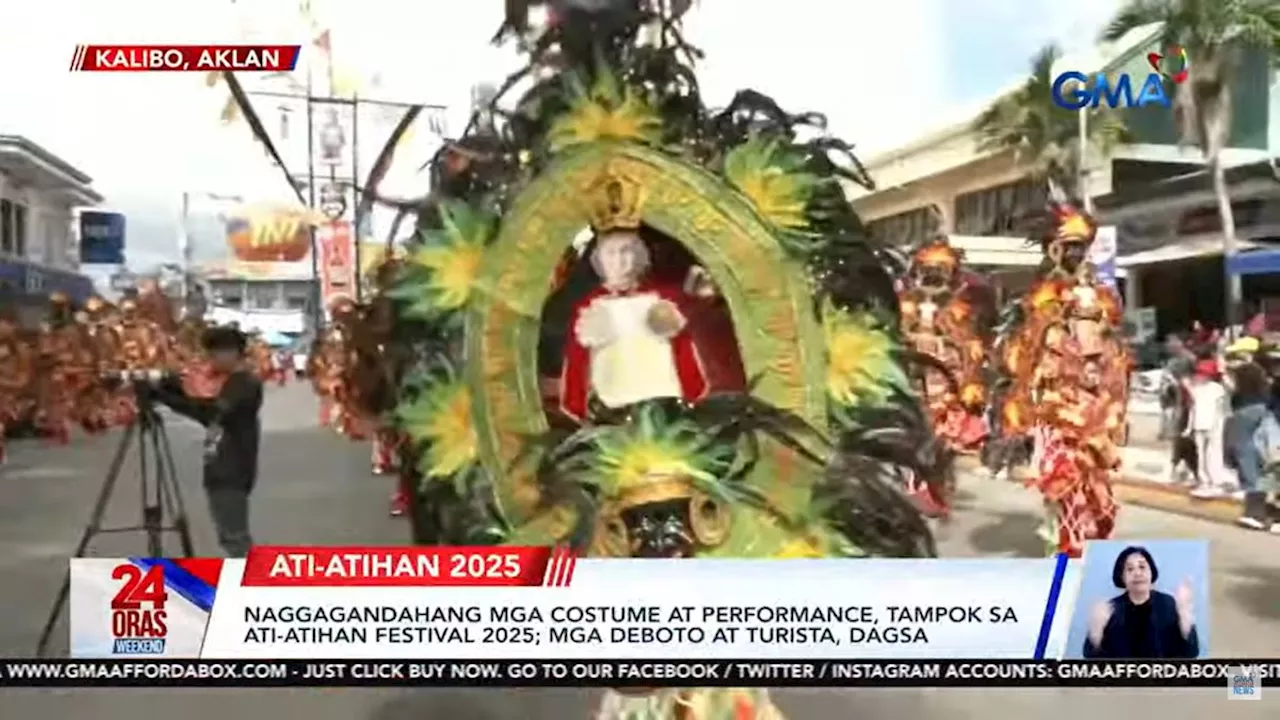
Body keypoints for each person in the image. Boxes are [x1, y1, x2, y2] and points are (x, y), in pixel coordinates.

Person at [153, 326, 263, 557]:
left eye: (214, 354)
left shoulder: (244, 383)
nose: (211, 361)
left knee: (234, 537)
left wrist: (165, 398)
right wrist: (170, 389)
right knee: (230, 535)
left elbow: (210, 411)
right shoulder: (232, 381)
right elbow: (203, 404)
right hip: (221, 467)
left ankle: (252, 586)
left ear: (232, 353)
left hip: (231, 469)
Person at [1084, 545, 1199, 659]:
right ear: (1122, 577)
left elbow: (1191, 653)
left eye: (1142, 567)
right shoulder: (1110, 610)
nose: (1137, 573)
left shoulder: (1168, 604)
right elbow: (1091, 660)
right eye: (1130, 569)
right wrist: (1096, 632)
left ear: (1151, 572)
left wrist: (1185, 616)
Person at [1223, 358, 1279, 531]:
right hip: (1268, 451)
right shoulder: (1266, 403)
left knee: (1254, 481)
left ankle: (1255, 515)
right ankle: (1268, 515)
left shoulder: (1240, 407)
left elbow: (1234, 438)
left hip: (1250, 453)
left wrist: (1229, 457)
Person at [1186, 359, 1228, 499]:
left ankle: (1215, 483)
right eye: (1198, 373)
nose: (1200, 376)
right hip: (1199, 425)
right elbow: (1193, 408)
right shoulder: (1196, 388)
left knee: (1213, 454)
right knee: (1201, 455)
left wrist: (1216, 426)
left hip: (1213, 426)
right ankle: (1204, 482)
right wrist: (1189, 427)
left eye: (1203, 373)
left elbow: (1220, 408)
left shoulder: (1216, 388)